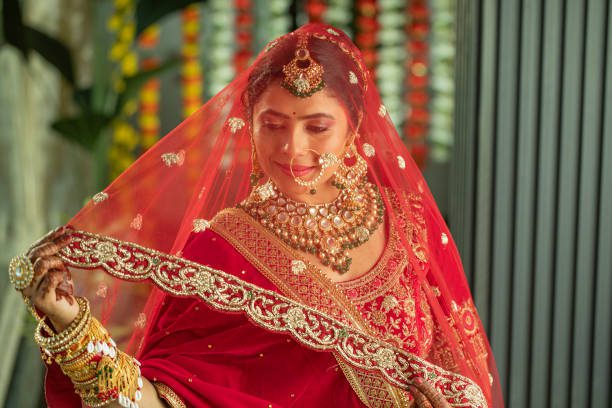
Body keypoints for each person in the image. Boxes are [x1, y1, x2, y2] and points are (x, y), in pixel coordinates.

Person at [9, 23, 503, 407]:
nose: (293, 147)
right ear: (249, 123)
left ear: (354, 128)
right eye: (273, 124)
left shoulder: (407, 223)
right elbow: (163, 400)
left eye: (318, 126)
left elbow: (460, 367)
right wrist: (73, 329)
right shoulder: (220, 251)